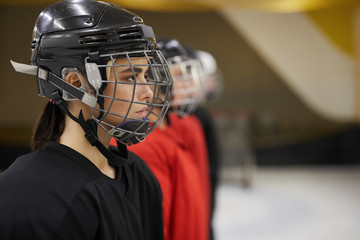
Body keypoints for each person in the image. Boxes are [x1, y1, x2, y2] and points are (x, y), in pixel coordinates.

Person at [0, 0, 172, 239]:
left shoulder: (139, 174)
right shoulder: (31, 197)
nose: (148, 92)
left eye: (145, 74)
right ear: (74, 83)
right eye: (130, 77)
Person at [127, 38, 210, 240]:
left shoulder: (170, 133)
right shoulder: (144, 145)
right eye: (180, 76)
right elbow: (156, 223)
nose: (188, 85)